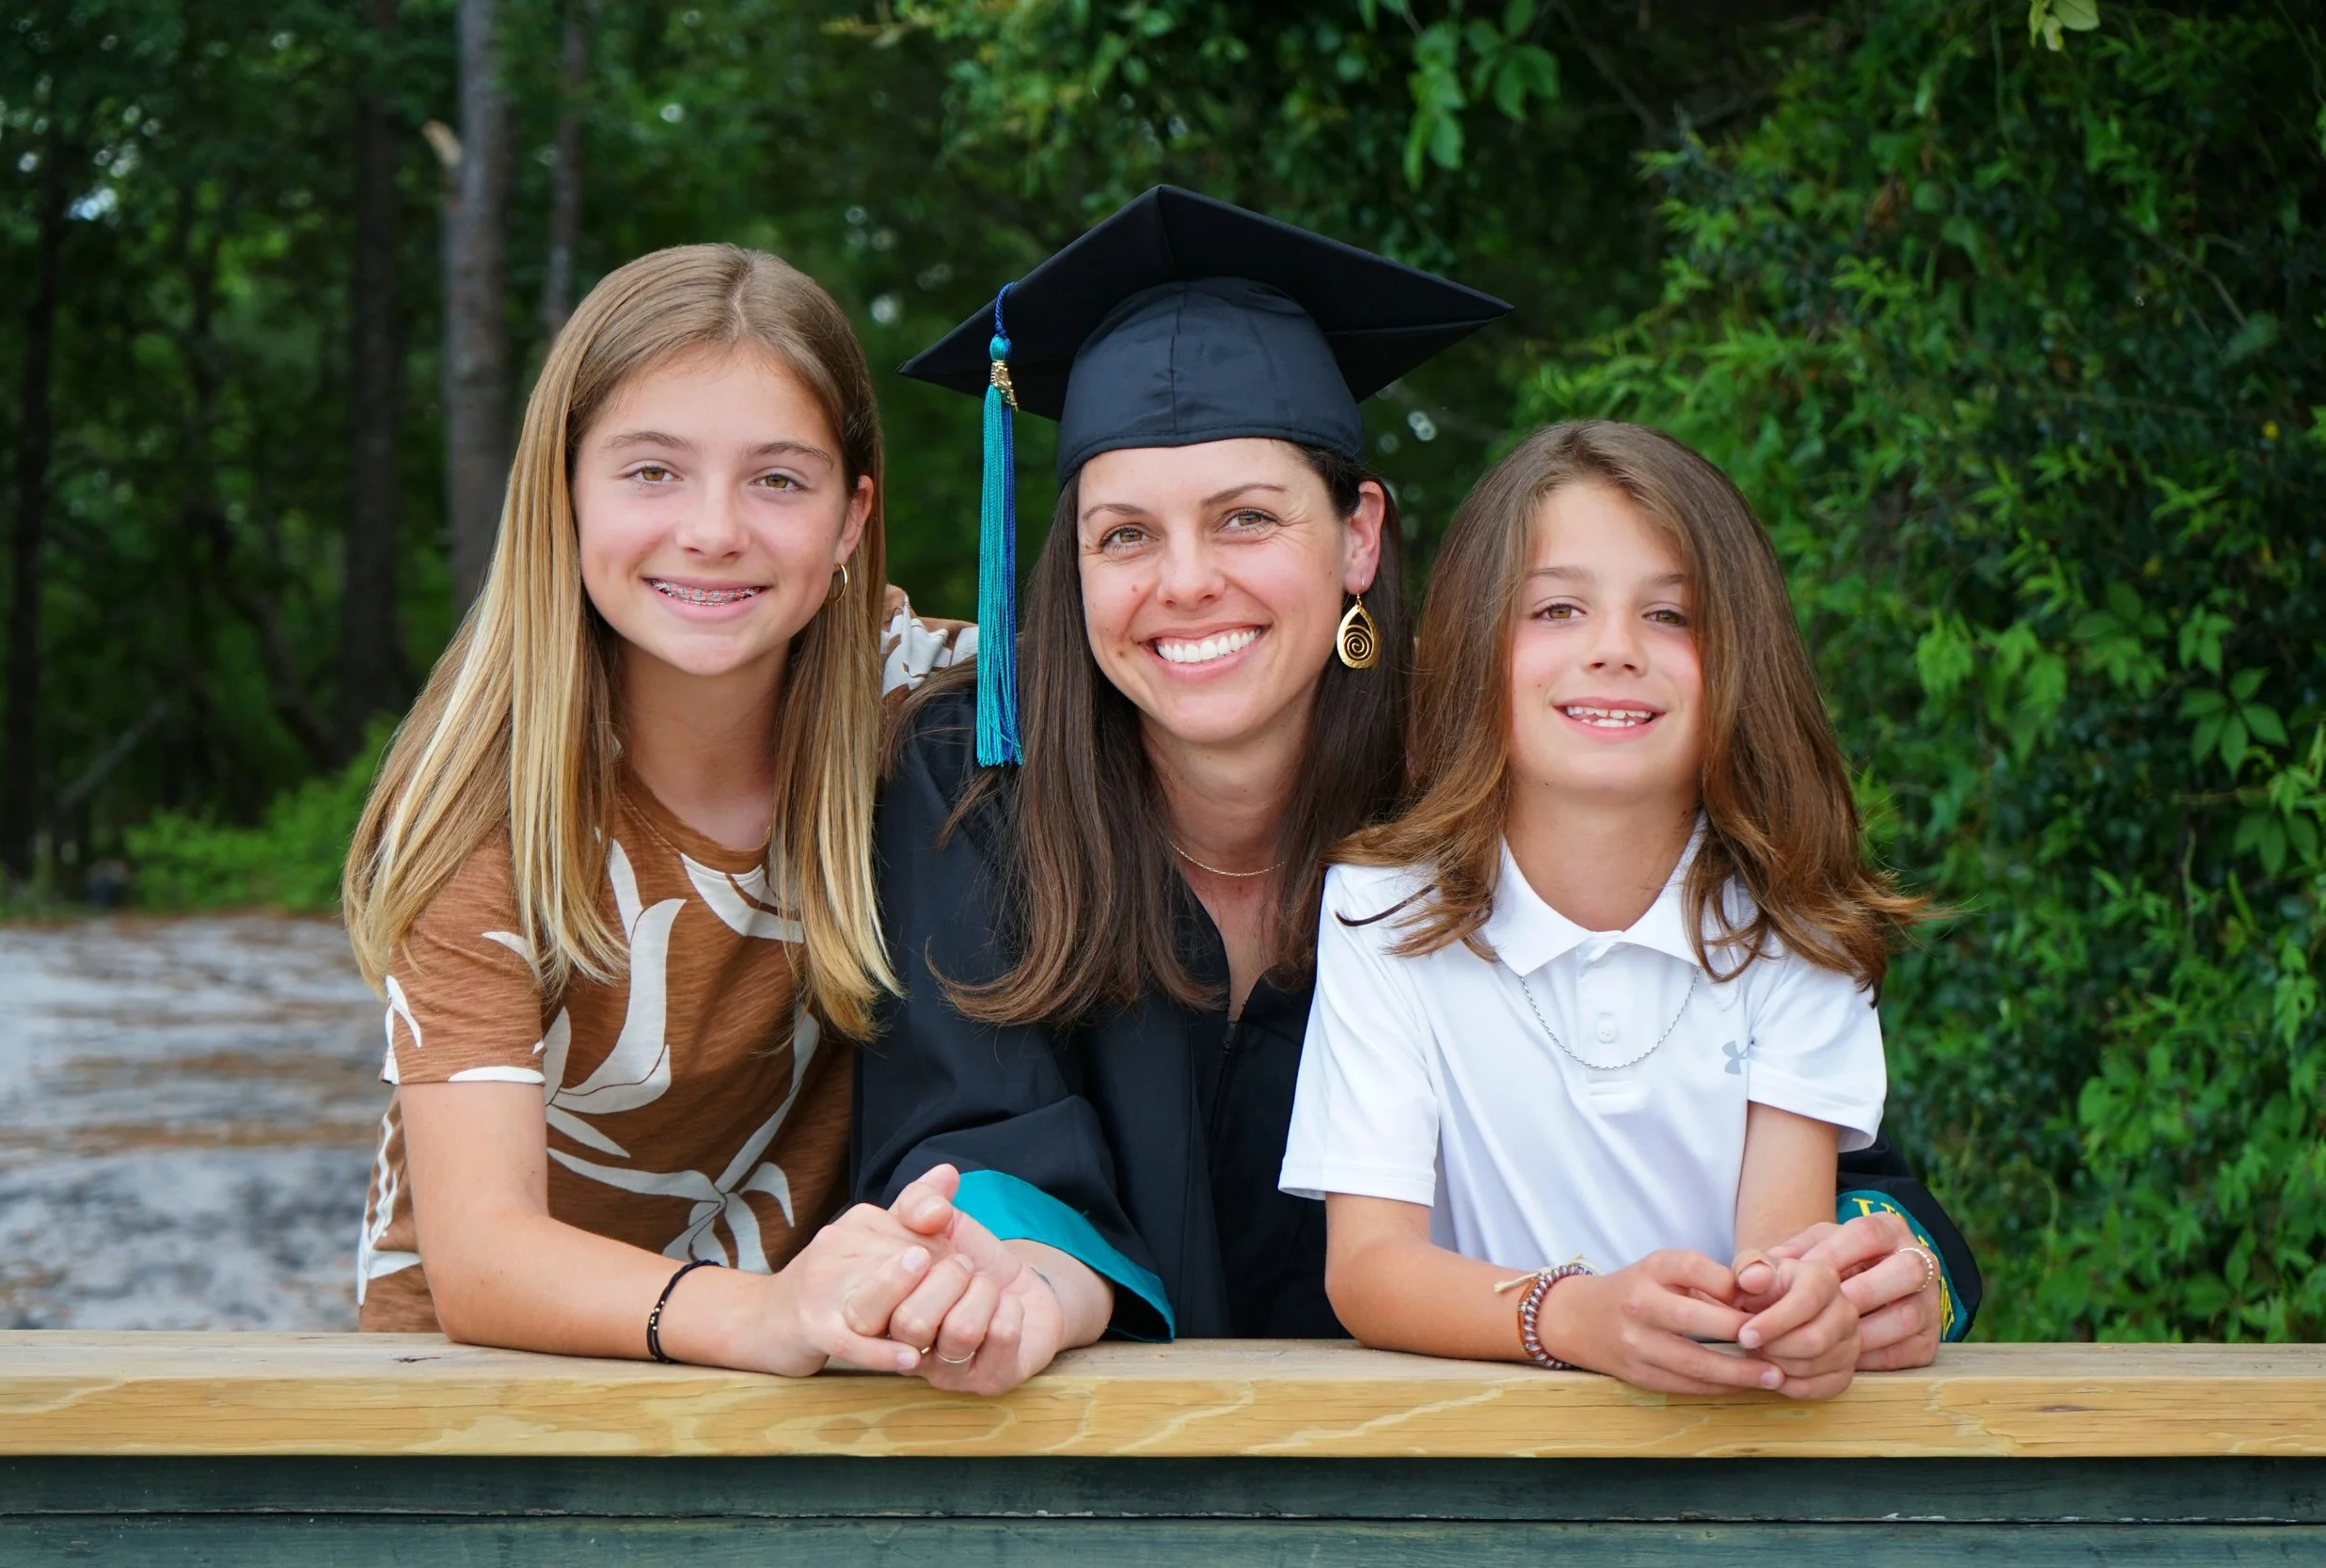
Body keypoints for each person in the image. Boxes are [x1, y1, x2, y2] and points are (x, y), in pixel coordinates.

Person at [856, 189, 1977, 1396]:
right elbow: (971, 1130)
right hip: (1082, 1440)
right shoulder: (973, 789)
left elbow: (1795, 1134)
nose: (1184, 581)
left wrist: (1875, 1273)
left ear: (1358, 535)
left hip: (1448, 1443)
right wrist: (1002, 1274)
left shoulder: (1474, 771)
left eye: (1247, 518)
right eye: (1123, 535)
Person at [344, 244, 1027, 1373]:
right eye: (652, 470)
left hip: (804, 1372)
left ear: (851, 517)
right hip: (498, 1379)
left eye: (778, 480)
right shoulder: (486, 801)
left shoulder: (928, 697)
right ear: (564, 490)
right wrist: (760, 1315)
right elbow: (482, 1255)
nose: (714, 529)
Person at [1284, 420, 1951, 1397]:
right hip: (1476, 1449)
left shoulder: (1794, 923)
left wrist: (1799, 1314)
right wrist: (1571, 1316)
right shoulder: (1383, 912)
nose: (1613, 649)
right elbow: (1368, 1268)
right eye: (1555, 608)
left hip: (1719, 1439)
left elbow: (1776, 1258)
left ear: (1741, 659)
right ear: (1473, 646)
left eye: (1670, 615)